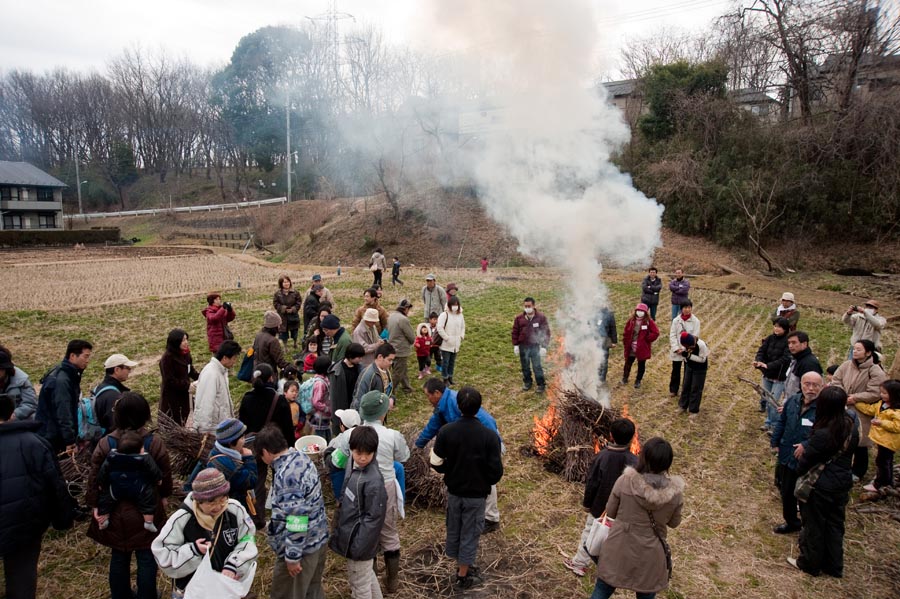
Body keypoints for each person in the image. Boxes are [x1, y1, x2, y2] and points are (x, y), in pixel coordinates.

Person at [86, 392, 173, 599]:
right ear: (144, 415)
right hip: (147, 511)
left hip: (114, 510)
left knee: (118, 555)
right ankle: (147, 595)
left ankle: (121, 594)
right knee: (146, 556)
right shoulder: (153, 443)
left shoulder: (106, 443)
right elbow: (165, 474)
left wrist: (95, 504)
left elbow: (94, 476)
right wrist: (164, 496)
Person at [0, 392, 74, 599]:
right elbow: (55, 484)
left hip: (22, 520)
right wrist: (63, 519)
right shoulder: (34, 443)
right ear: (12, 414)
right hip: (24, 521)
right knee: (21, 576)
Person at [430, 386, 503, 590]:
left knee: (454, 527)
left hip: (454, 492)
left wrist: (449, 470)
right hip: (476, 495)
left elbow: (435, 462)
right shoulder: (489, 436)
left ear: (458, 406)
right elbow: (496, 472)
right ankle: (463, 576)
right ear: (479, 407)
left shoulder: (446, 431)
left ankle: (460, 562)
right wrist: (483, 479)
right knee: (470, 532)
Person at [594, 437, 684, 599]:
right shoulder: (675, 494)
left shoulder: (624, 481)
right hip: (650, 556)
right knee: (646, 594)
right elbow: (674, 523)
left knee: (602, 591)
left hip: (618, 547)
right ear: (668, 462)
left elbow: (611, 512)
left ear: (643, 457)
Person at [152, 468, 258, 599]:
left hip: (227, 586)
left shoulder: (235, 509)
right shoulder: (182, 518)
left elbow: (248, 538)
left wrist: (235, 565)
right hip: (192, 589)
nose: (218, 507)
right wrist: (193, 551)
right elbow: (162, 554)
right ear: (199, 500)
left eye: (223, 499)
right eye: (211, 502)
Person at [787, 386, 858, 578]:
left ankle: (810, 563)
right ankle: (834, 566)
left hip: (820, 485)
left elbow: (806, 461)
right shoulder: (851, 423)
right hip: (842, 482)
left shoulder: (823, 433)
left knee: (814, 525)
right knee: (835, 524)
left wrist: (798, 473)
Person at [416, 378, 503, 532]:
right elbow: (433, 425)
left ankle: (491, 518)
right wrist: (418, 445)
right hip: (469, 443)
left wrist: (495, 443)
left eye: (428, 395)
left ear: (437, 393)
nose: (427, 399)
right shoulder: (442, 406)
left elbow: (485, 419)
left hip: (483, 441)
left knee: (486, 477)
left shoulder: (457, 402)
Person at [256, 423, 329, 599]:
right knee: (312, 590)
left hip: (302, 550)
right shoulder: (301, 458)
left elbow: (297, 518)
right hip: (318, 538)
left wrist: (293, 556)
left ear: (266, 452)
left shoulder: (286, 476)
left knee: (287, 593)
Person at [563, 418, 637, 578]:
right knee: (617, 536)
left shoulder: (602, 457)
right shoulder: (634, 461)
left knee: (590, 533)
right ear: (632, 438)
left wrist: (587, 504)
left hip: (599, 507)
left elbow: (592, 483)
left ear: (611, 435)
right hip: (622, 510)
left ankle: (579, 564)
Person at [357, 390, 410, 592]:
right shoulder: (392, 435)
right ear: (382, 412)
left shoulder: (353, 434)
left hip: (361, 485)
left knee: (365, 529)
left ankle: (371, 576)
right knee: (389, 530)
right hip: (385, 485)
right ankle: (392, 581)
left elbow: (337, 458)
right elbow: (403, 456)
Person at [329, 425, 387, 599]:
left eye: (367, 454)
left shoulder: (373, 481)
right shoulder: (353, 465)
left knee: (359, 587)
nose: (362, 458)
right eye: (358, 453)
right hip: (352, 535)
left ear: (374, 452)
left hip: (359, 543)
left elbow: (374, 519)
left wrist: (358, 547)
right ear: (351, 449)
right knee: (366, 577)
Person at [238, 363, 294, 529]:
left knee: (257, 482)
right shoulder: (279, 400)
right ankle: (281, 515)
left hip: (256, 447)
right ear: (271, 378)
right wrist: (290, 446)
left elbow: (243, 425)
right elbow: (288, 427)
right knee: (281, 480)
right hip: (276, 446)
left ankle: (258, 518)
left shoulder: (247, 398)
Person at [771, 372, 822, 534]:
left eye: (815, 385)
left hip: (808, 460)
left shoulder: (823, 408)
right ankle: (792, 522)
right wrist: (775, 441)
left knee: (805, 494)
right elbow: (782, 421)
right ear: (801, 384)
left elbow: (825, 434)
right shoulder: (792, 401)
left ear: (822, 387)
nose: (811, 388)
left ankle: (809, 527)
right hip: (787, 454)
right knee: (786, 492)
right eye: (807, 384)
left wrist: (806, 445)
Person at [832, 339, 887, 482]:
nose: (855, 352)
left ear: (868, 353)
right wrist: (842, 394)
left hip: (861, 411)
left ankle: (858, 471)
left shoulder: (875, 370)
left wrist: (855, 398)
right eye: (854, 349)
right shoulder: (846, 365)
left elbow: (876, 392)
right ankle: (842, 466)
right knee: (842, 438)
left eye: (859, 349)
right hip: (843, 407)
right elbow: (836, 380)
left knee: (860, 442)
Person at [96, 429, 163, 533]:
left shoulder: (112, 457)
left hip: (115, 487)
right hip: (139, 487)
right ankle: (148, 522)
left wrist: (100, 483)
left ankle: (104, 519)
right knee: (148, 500)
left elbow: (103, 471)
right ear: (140, 449)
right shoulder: (145, 458)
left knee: (105, 499)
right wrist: (158, 479)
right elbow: (154, 470)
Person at [35, 339, 92, 453]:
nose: (87, 361)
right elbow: (63, 411)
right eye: (85, 356)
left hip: (52, 433)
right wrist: (69, 441)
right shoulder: (62, 380)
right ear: (72, 356)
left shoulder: (66, 374)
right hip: (53, 437)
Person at [202, 418, 259, 516]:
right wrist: (249, 459)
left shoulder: (216, 451)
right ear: (230, 442)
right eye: (241, 438)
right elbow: (251, 481)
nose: (244, 441)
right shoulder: (227, 466)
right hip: (230, 512)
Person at [853, 379, 900, 492]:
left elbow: (897, 426)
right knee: (884, 460)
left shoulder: (896, 411)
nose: (881, 395)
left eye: (884, 393)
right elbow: (870, 409)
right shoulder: (881, 404)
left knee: (882, 461)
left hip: (889, 441)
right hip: (882, 440)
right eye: (881, 392)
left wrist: (881, 423)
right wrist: (856, 402)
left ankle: (879, 483)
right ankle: (888, 480)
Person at [193, 340, 242, 433]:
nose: (235, 362)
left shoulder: (222, 372)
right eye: (234, 358)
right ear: (225, 358)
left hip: (221, 427)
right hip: (212, 430)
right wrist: (205, 431)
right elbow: (205, 403)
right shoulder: (211, 374)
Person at [752, 318, 792, 430]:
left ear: (785, 328)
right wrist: (758, 361)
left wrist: (768, 365)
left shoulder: (788, 342)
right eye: (775, 326)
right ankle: (768, 423)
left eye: (779, 326)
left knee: (773, 401)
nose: (776, 328)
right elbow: (761, 351)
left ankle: (774, 425)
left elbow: (785, 359)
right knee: (766, 398)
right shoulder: (770, 338)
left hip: (779, 377)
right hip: (767, 375)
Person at [159, 329, 200, 426]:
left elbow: (190, 370)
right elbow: (169, 380)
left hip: (185, 393)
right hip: (172, 397)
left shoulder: (186, 354)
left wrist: (201, 377)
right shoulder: (167, 359)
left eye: (186, 339)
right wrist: (187, 385)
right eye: (183, 340)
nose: (186, 342)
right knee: (175, 420)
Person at [512, 297, 551, 393]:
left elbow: (546, 332)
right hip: (523, 346)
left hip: (535, 346)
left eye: (529, 306)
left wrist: (544, 347)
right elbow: (515, 331)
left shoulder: (541, 318)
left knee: (537, 366)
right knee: (525, 366)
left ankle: (541, 384)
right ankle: (527, 382)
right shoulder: (519, 318)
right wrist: (516, 345)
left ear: (534, 306)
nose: (527, 308)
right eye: (525, 306)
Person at [94, 353, 139, 433]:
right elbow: (116, 427)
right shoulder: (113, 395)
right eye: (127, 368)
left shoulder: (99, 388)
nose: (130, 371)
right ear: (117, 370)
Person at [328, 343, 366, 437]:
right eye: (359, 357)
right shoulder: (337, 372)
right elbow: (334, 397)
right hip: (343, 404)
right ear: (350, 356)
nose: (361, 360)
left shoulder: (360, 368)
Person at [621, 303, 660, 390]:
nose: (640, 312)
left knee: (641, 365)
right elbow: (626, 332)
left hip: (642, 348)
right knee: (628, 363)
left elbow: (656, 333)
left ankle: (638, 380)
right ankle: (625, 378)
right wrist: (625, 342)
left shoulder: (648, 322)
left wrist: (647, 339)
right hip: (631, 347)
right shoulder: (631, 321)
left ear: (645, 312)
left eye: (642, 311)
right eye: (638, 311)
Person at [668, 300, 700, 398]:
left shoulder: (696, 321)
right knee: (675, 370)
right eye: (685, 308)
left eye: (689, 307)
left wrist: (686, 349)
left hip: (688, 350)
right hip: (677, 350)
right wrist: (677, 348)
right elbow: (672, 335)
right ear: (681, 309)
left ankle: (686, 390)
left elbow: (695, 337)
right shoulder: (676, 320)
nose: (687, 310)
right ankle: (673, 390)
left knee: (688, 371)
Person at [352, 344, 395, 409]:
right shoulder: (368, 374)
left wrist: (391, 398)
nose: (391, 363)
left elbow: (387, 389)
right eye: (389, 360)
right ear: (380, 357)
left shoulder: (386, 370)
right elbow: (359, 400)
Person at [677, 333, 710, 417]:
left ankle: (693, 410)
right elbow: (685, 350)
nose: (688, 348)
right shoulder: (686, 343)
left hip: (700, 369)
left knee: (695, 388)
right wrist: (682, 352)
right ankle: (682, 406)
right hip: (689, 366)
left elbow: (703, 359)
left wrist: (688, 355)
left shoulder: (701, 345)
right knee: (686, 386)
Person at [0, 347, 37, 421]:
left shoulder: (22, 380)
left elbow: (30, 404)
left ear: (6, 369)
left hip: (18, 421)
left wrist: (14, 415)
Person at [783, 331, 823, 400]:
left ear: (804, 344)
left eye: (794, 342)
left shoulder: (809, 363)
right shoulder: (796, 359)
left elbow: (810, 391)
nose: (790, 346)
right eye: (789, 343)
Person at [387, 299, 417, 393]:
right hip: (401, 349)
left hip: (392, 347)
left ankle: (406, 387)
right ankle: (390, 390)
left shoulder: (391, 316)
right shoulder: (403, 319)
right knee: (398, 372)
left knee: (402, 369)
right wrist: (413, 341)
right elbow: (411, 336)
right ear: (405, 308)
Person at [437, 296, 466, 388]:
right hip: (446, 344)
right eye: (453, 305)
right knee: (445, 362)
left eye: (456, 305)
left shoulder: (460, 315)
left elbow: (463, 326)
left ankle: (450, 377)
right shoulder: (444, 315)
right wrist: (446, 338)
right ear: (449, 305)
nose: (455, 306)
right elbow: (439, 328)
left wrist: (461, 336)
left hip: (456, 344)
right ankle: (445, 378)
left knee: (452, 362)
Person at [308, 356, 333, 442]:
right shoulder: (320, 383)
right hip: (320, 418)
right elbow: (316, 402)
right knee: (320, 441)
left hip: (324, 417)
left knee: (326, 437)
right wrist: (327, 409)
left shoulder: (323, 379)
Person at [274, 274, 302, 348]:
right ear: (281, 284)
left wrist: (293, 309)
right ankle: (285, 346)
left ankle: (295, 343)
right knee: (283, 332)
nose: (286, 283)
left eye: (287, 282)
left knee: (294, 331)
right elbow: (276, 304)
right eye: (284, 282)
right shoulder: (278, 294)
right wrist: (283, 309)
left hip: (293, 315)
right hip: (283, 316)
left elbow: (299, 302)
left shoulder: (295, 292)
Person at [595, 306, 618, 384]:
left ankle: (602, 379)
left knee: (604, 359)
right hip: (594, 340)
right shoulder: (593, 312)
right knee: (595, 359)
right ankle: (595, 377)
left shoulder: (609, 314)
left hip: (605, 340)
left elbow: (613, 328)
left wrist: (614, 341)